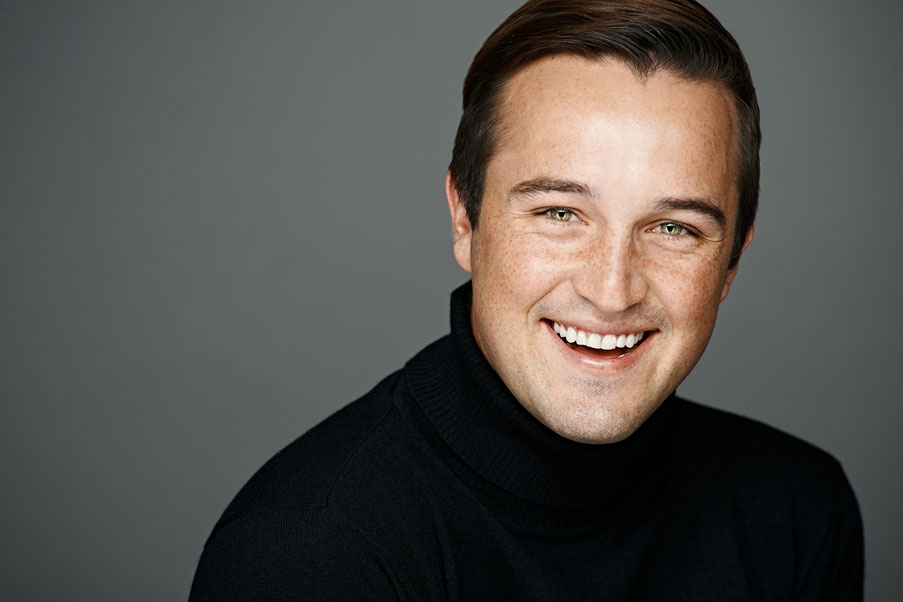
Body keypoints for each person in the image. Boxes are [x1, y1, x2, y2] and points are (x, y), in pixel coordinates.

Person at [189, 0, 863, 599]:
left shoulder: (797, 510)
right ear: (465, 219)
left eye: (672, 228)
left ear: (731, 260)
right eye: (559, 213)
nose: (610, 290)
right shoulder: (310, 555)